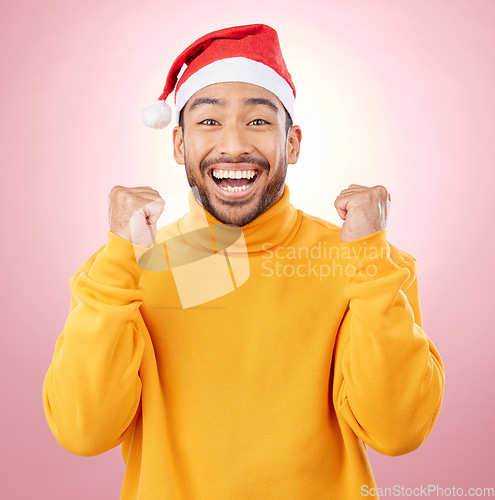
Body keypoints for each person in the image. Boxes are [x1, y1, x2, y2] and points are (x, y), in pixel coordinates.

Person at [42, 23, 445, 500]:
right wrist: (120, 261)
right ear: (178, 144)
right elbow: (83, 432)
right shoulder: (124, 271)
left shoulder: (366, 263)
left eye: (257, 121)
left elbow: (398, 432)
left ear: (292, 142)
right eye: (209, 122)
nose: (233, 146)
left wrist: (369, 257)